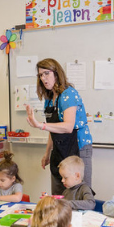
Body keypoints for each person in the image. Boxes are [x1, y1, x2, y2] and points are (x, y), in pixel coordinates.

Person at [25, 58, 93, 195]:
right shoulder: (49, 99)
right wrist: (47, 153)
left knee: (79, 194)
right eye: (40, 75)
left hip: (78, 148)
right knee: (58, 194)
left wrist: (40, 125)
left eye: (47, 73)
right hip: (59, 149)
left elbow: (68, 127)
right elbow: (52, 129)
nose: (43, 78)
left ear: (56, 73)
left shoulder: (69, 94)